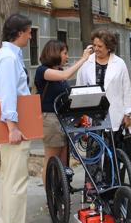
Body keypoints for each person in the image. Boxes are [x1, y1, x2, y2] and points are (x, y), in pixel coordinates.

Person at [0, 14, 39, 223]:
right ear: (19, 33)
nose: (30, 35)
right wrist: (12, 127)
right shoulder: (9, 59)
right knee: (16, 179)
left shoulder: (2, 55)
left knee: (8, 177)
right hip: (13, 127)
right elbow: (7, 94)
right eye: (28, 31)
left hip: (9, 125)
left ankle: (6, 222)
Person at [34, 39, 92, 182]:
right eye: (65, 53)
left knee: (63, 158)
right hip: (50, 119)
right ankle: (51, 196)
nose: (67, 56)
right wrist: (83, 59)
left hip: (63, 119)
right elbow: (66, 75)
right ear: (55, 53)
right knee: (52, 157)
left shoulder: (59, 70)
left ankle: (62, 192)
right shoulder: (43, 71)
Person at [76, 29, 131, 132]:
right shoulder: (85, 62)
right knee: (93, 145)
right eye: (94, 45)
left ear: (109, 47)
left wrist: (127, 113)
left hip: (114, 113)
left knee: (112, 146)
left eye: (100, 46)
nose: (96, 49)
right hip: (91, 113)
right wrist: (80, 115)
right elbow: (79, 87)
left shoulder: (119, 63)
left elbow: (126, 90)